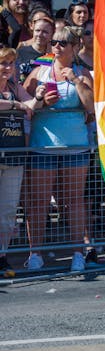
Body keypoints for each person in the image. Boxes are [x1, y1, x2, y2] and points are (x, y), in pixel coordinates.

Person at [23, 26, 94, 271]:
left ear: (74, 48)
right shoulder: (39, 71)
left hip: (75, 147)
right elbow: (25, 104)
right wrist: (40, 99)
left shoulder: (82, 72)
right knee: (39, 202)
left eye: (63, 43)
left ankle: (77, 253)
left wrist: (74, 80)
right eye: (54, 42)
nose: (56, 46)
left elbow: (92, 107)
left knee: (74, 201)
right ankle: (35, 254)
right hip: (43, 146)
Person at [0, 47, 46, 277]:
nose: (8, 68)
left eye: (11, 63)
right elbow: (20, 107)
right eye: (3, 63)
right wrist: (18, 105)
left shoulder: (13, 87)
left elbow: (30, 106)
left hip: (13, 155)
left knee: (8, 210)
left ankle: (2, 255)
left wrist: (37, 97)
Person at [16, 15, 53, 84]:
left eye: (45, 32)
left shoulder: (53, 56)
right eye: (37, 30)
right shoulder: (20, 52)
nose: (40, 34)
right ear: (33, 31)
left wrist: (49, 55)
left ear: (51, 34)